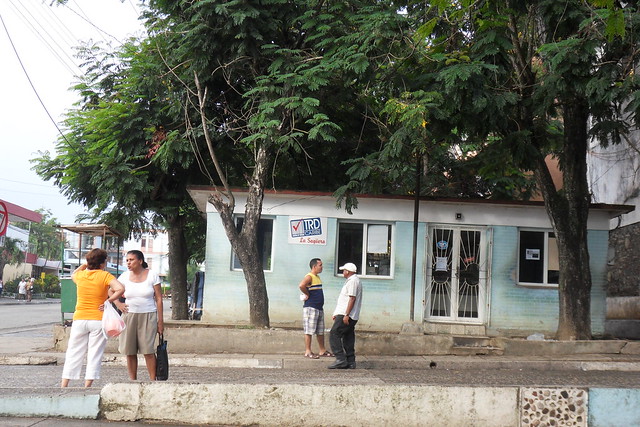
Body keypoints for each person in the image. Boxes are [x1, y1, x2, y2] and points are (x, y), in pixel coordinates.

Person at [61, 248, 125, 388]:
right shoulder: (104, 275)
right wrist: (108, 301)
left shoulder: (81, 275)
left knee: (73, 351)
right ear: (102, 263)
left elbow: (73, 274)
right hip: (97, 319)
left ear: (88, 261)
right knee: (94, 353)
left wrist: (85, 264)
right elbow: (120, 288)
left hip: (79, 318)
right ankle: (87, 386)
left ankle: (64, 384)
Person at [113, 250, 164, 380]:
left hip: (148, 315)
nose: (129, 263)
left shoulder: (152, 275)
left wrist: (160, 321)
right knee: (129, 351)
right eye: (127, 260)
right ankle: (132, 380)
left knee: (148, 350)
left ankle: (153, 380)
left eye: (131, 260)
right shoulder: (124, 276)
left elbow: (158, 298)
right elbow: (110, 290)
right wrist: (118, 304)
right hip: (129, 316)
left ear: (140, 261)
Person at [328, 262, 363, 370]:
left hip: (346, 314)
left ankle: (340, 359)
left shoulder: (352, 281)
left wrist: (346, 314)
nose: (343, 272)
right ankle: (350, 361)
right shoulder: (354, 280)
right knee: (348, 337)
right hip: (346, 314)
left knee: (334, 333)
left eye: (344, 270)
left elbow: (352, 298)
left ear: (348, 271)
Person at [298, 258, 333, 359]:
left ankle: (322, 350)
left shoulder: (317, 277)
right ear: (314, 266)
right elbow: (301, 285)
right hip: (311, 307)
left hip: (319, 308)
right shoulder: (309, 277)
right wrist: (307, 294)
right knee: (309, 330)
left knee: (320, 330)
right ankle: (308, 351)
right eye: (320, 265)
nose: (322, 267)